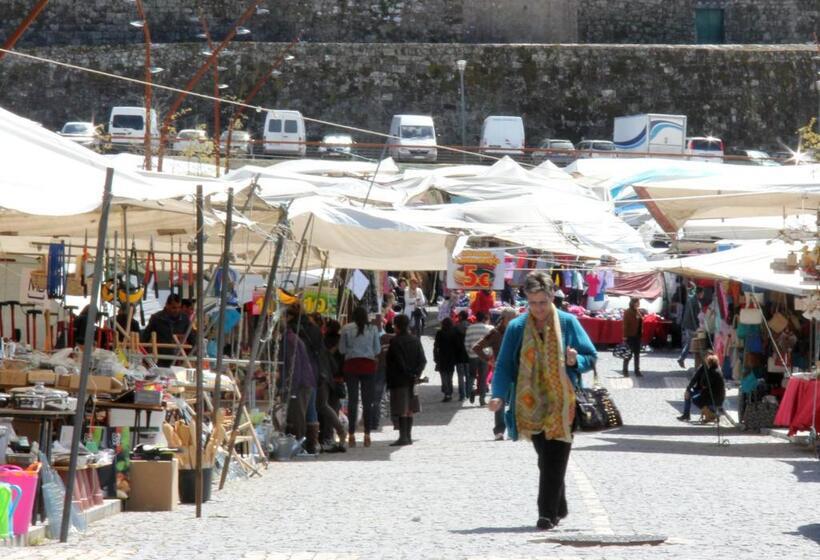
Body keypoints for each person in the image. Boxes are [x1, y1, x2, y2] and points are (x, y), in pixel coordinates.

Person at [488, 272, 597, 531]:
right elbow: (504, 364)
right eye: (533, 303)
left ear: (551, 298)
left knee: (555, 456)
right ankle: (559, 502)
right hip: (530, 403)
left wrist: (575, 361)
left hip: (563, 402)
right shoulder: (516, 327)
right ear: (526, 300)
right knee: (545, 457)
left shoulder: (569, 323)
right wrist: (498, 395)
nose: (538, 308)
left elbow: (590, 356)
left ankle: (546, 514)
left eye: (542, 302)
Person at [472, 307, 518, 440]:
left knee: (515, 400)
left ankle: (513, 428)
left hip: (517, 369)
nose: (514, 322)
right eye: (512, 319)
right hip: (501, 371)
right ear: (504, 319)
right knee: (500, 400)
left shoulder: (518, 332)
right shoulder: (495, 333)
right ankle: (499, 430)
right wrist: (489, 360)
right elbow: (477, 347)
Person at [339, 306, 382, 447]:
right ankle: (367, 434)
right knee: (367, 401)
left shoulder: (346, 328)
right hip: (368, 366)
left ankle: (351, 434)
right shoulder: (373, 329)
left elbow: (342, 349)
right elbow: (377, 349)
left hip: (351, 365)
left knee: (353, 400)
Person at [386, 314, 427, 446]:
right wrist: (416, 374)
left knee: (402, 408)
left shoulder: (395, 341)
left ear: (397, 326)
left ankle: (403, 437)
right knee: (409, 408)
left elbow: (398, 361)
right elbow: (423, 360)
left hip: (399, 379)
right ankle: (407, 436)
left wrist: (408, 373)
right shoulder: (415, 339)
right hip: (413, 379)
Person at [278, 322, 316, 442]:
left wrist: (292, 389)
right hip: (304, 381)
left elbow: (294, 365)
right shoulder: (292, 338)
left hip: (301, 384)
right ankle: (302, 443)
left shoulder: (288, 340)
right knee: (299, 415)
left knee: (297, 416)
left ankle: (299, 444)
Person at [142, 294, 191, 367]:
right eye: (174, 308)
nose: (177, 310)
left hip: (178, 359)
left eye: (179, 307)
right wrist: (144, 358)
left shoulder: (184, 319)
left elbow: (192, 336)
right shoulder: (156, 318)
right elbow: (145, 337)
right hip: (160, 358)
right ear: (167, 305)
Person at [677, 353, 725, 422]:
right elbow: (695, 378)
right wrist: (688, 389)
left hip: (712, 396)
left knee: (695, 399)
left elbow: (705, 384)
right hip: (705, 392)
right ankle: (686, 415)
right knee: (688, 394)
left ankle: (710, 414)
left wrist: (702, 385)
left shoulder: (713, 371)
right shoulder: (705, 368)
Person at [464, 311, 494, 405]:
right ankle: (482, 399)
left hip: (473, 355)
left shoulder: (470, 328)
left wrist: (469, 352)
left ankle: (471, 390)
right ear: (485, 319)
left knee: (472, 375)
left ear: (476, 318)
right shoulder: (489, 328)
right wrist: (490, 354)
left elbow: (466, 342)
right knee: (483, 377)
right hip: (484, 356)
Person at [433, 318, 462, 402]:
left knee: (443, 376)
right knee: (450, 375)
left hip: (442, 357)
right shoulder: (454, 333)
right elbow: (458, 346)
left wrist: (435, 357)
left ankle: (447, 393)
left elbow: (436, 346)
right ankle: (449, 392)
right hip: (452, 357)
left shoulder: (439, 333)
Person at [677, 287, 703, 369]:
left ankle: (682, 358)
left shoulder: (691, 299)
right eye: (702, 293)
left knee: (689, 342)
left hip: (687, 324)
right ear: (700, 293)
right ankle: (682, 358)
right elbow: (696, 316)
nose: (703, 295)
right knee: (691, 343)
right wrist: (697, 327)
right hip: (691, 325)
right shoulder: (695, 301)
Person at [621, 297, 644, 377]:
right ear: (633, 303)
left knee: (637, 354)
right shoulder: (628, 312)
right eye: (637, 302)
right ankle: (625, 371)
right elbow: (625, 325)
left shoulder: (637, 311)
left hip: (637, 336)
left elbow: (640, 320)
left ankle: (637, 371)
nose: (638, 304)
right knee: (628, 354)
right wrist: (624, 336)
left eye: (638, 302)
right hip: (630, 335)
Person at [454, 310, 471, 401]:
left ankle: (462, 394)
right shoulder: (470, 327)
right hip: (468, 354)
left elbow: (453, 342)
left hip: (459, 354)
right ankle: (468, 392)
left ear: (460, 317)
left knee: (460, 375)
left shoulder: (456, 327)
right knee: (468, 374)